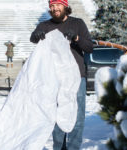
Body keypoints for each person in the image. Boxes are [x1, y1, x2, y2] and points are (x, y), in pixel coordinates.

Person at [30, 0, 93, 149]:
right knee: (56, 115)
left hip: (77, 77)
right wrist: (35, 36)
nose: (55, 8)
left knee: (77, 115)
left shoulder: (77, 23)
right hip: (54, 78)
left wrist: (77, 38)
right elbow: (33, 39)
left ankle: (73, 147)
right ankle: (59, 147)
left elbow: (89, 47)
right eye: (52, 6)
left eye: (58, 5)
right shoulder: (45, 26)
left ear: (65, 6)